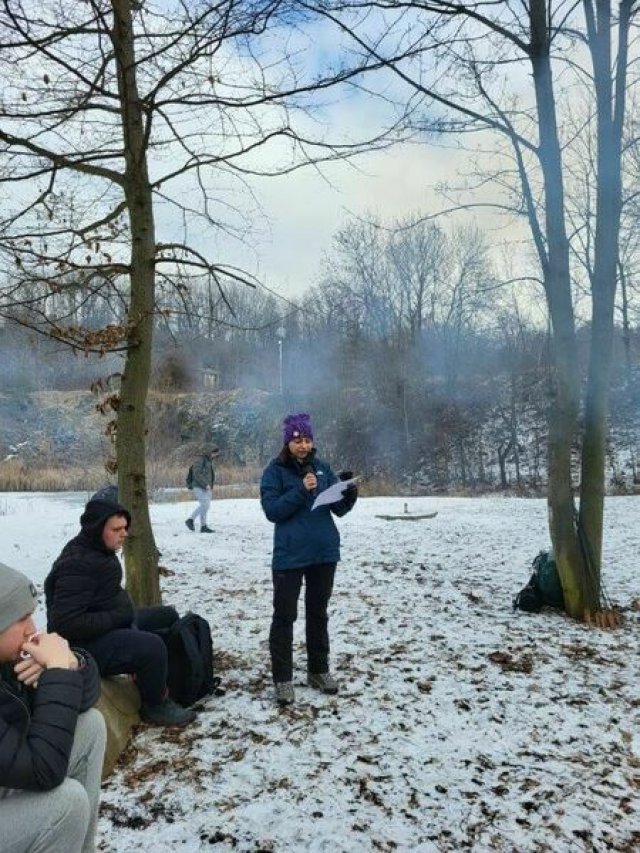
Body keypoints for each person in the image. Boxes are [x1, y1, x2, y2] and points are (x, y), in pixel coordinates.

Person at [44, 497, 196, 727]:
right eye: (116, 529)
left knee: (167, 616)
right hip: (81, 646)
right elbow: (64, 624)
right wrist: (117, 618)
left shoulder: (98, 551)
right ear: (97, 530)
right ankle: (155, 704)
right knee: (151, 646)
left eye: (125, 527)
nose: (124, 534)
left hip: (109, 623)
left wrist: (121, 616)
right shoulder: (78, 564)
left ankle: (164, 678)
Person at [0, 562, 106, 853]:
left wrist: (70, 663)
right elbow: (43, 770)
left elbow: (84, 699)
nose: (32, 630)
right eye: (21, 619)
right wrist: (58, 671)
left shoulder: (7, 660)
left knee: (91, 725)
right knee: (65, 805)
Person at [260, 412, 357, 706]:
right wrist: (302, 490)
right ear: (288, 442)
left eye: (307, 440)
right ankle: (283, 679)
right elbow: (273, 511)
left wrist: (349, 493)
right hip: (290, 556)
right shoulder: (274, 472)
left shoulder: (322, 467)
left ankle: (318, 670)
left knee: (318, 613)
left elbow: (337, 509)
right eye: (297, 440)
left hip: (324, 553)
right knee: (284, 617)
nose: (303, 445)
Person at [185, 447, 220, 533]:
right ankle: (190, 519)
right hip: (198, 486)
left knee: (206, 506)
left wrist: (210, 485)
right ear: (211, 452)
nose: (216, 456)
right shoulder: (200, 459)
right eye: (215, 454)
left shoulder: (209, 460)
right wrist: (205, 484)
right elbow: (197, 473)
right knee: (205, 505)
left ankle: (203, 526)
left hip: (207, 487)